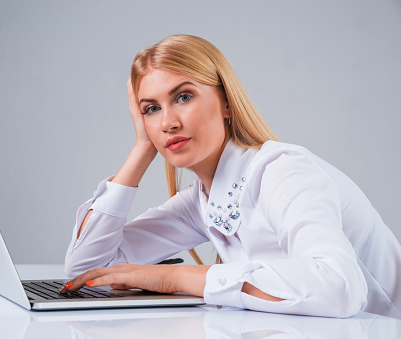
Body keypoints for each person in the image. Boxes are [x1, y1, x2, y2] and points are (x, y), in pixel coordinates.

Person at [60, 34, 401, 318]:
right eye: (151, 108)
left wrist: (174, 277)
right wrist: (142, 149)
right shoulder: (202, 201)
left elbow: (339, 287)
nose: (167, 122)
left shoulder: (282, 171)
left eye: (183, 96)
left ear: (226, 102)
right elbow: (85, 270)